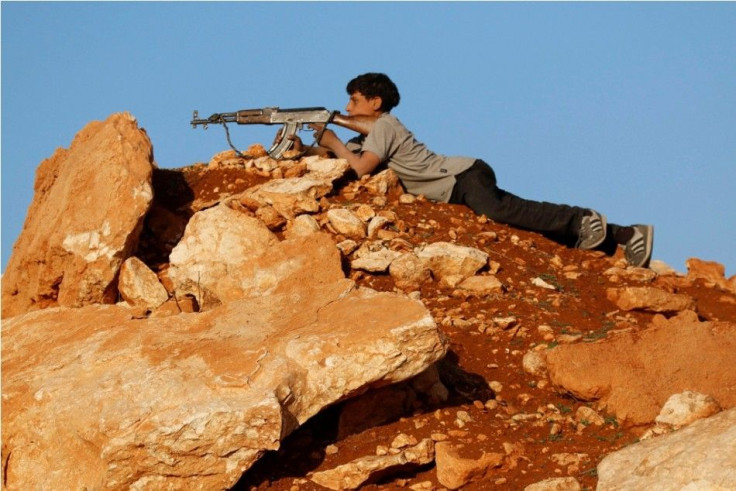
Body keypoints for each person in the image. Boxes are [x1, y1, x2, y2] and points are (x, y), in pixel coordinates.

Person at [303, 72, 654, 267]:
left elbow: (361, 169)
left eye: (354, 100)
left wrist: (333, 134)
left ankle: (582, 219)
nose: (347, 106)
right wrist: (303, 147)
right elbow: (344, 160)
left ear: (374, 103)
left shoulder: (386, 124)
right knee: (515, 214)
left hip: (461, 176)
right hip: (456, 186)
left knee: (499, 209)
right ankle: (622, 235)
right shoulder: (370, 136)